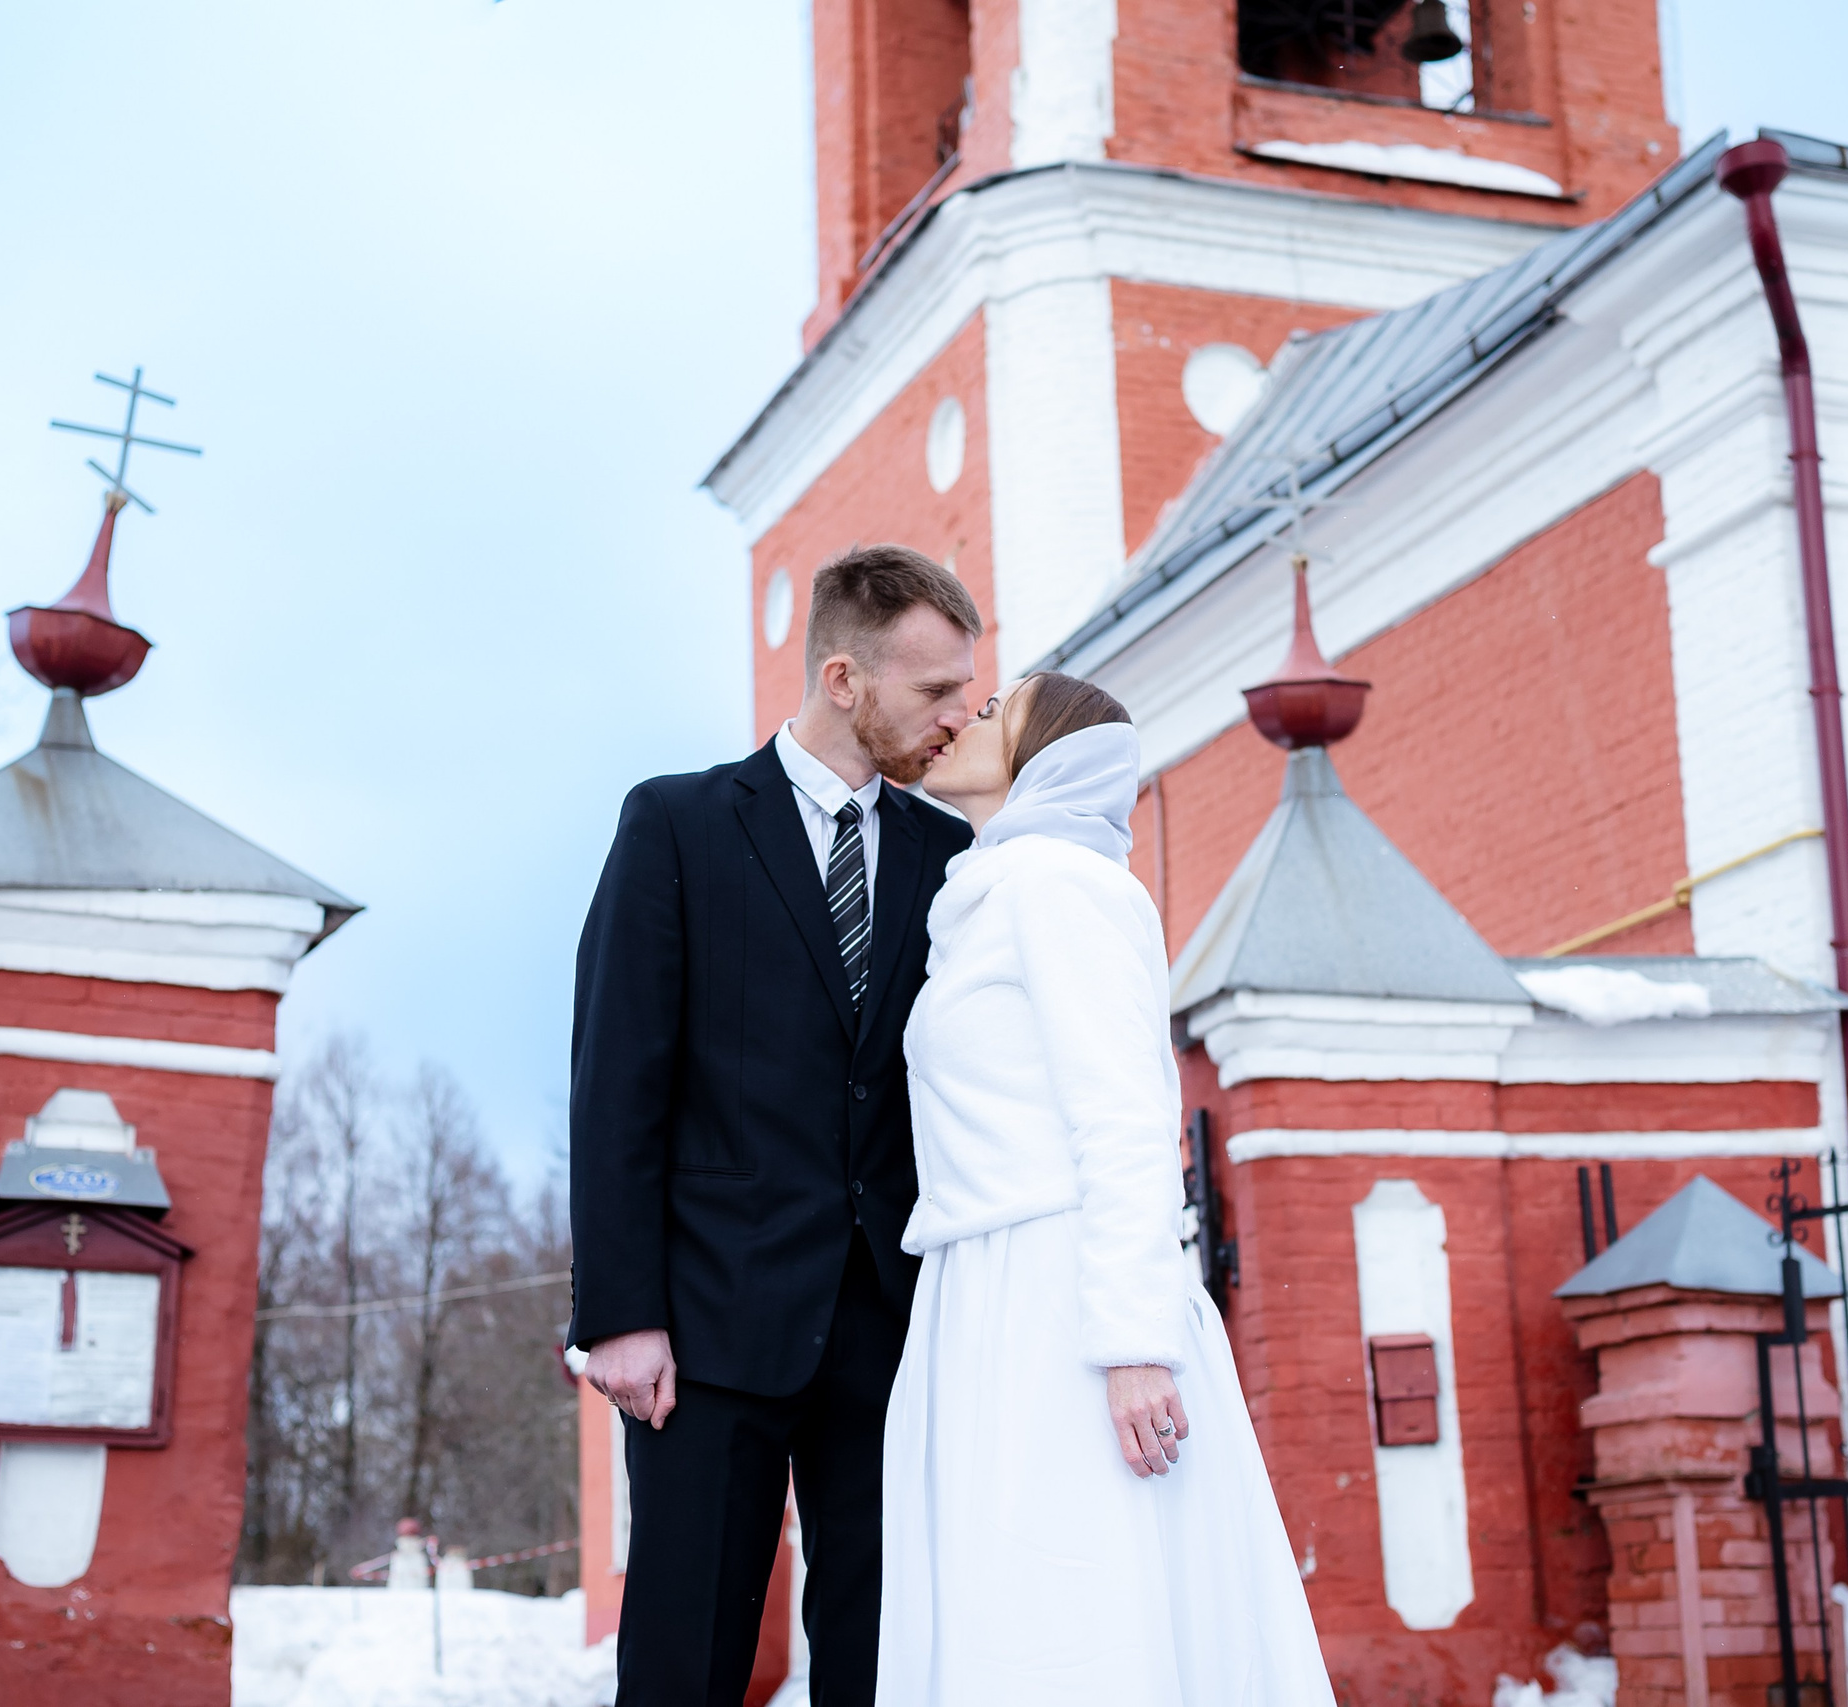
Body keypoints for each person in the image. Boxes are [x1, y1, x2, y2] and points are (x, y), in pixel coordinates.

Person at [569, 544, 982, 1706]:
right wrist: (619, 1316)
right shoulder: (678, 826)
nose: (962, 714)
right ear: (843, 680)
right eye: (935, 689)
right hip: (705, 1331)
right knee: (687, 1656)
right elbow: (615, 1083)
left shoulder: (950, 859)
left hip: (890, 1332)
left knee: (885, 1653)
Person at [880, 672, 1335, 1706]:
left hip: (1061, 1298)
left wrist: (1132, 1343)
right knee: (1006, 1602)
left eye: (993, 712)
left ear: (1047, 753)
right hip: (978, 1293)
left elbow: (1127, 1115)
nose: (961, 719)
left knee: (1074, 1599)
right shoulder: (987, 898)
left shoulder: (1061, 884)